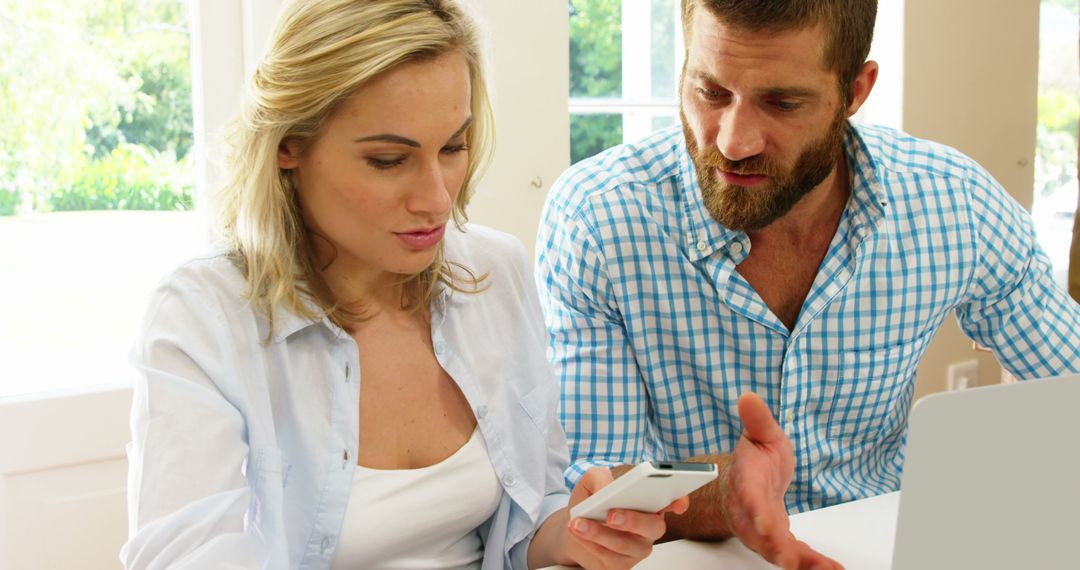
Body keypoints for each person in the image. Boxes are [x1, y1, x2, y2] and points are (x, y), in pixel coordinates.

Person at [120, 1, 691, 568]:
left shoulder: (495, 274)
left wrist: (572, 533)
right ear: (288, 145)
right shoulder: (203, 317)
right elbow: (188, 558)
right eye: (389, 160)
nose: (438, 200)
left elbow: (525, 519)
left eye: (453, 148)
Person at [536, 0, 1080, 567]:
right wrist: (725, 494)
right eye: (710, 92)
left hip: (885, 545)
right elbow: (598, 494)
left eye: (782, 102)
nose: (733, 141)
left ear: (856, 91)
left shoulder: (954, 203)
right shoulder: (597, 220)